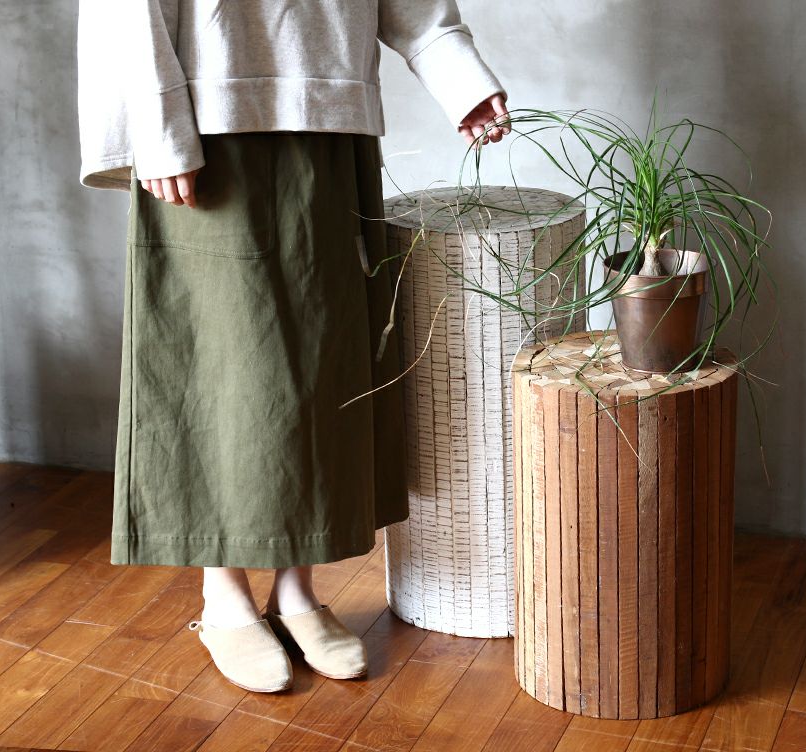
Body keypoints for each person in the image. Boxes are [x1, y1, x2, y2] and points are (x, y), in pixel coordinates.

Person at [76, 0, 509, 692]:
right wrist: (155, 126)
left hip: (329, 110)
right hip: (209, 113)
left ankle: (296, 590)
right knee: (220, 360)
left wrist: (458, 75)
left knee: (320, 360)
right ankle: (223, 595)